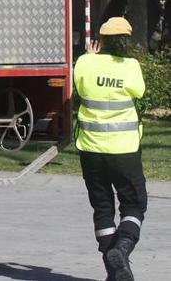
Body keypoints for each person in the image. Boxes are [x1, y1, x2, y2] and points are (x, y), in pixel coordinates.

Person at [75, 16, 146, 281]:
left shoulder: (85, 63)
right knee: (134, 203)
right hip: (123, 150)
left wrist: (90, 57)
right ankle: (122, 248)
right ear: (126, 41)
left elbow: (80, 87)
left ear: (101, 40)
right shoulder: (130, 67)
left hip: (90, 150)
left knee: (102, 207)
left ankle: (114, 270)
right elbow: (138, 92)